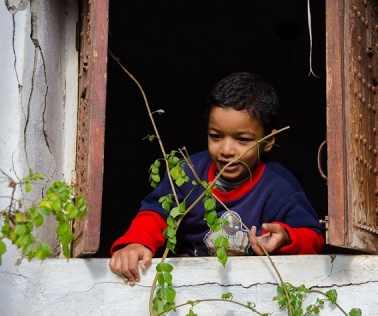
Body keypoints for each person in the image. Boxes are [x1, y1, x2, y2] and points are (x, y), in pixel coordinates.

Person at [109, 72, 325, 285]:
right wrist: (137, 243)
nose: (227, 150)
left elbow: (314, 239)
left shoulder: (280, 186)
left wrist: (286, 238)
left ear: (268, 141)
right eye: (216, 136)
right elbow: (156, 212)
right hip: (191, 281)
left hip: (256, 287)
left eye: (242, 139)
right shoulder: (188, 172)